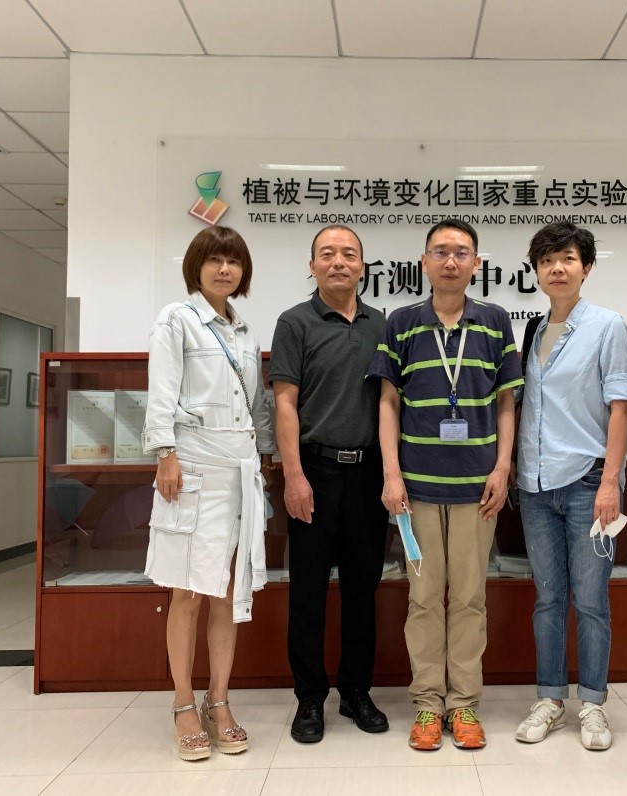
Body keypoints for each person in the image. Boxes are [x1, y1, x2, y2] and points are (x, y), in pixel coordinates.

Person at [368, 218, 523, 751]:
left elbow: (506, 402)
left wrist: (502, 468)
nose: (450, 261)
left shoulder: (495, 321)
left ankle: (464, 704)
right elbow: (388, 401)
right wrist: (391, 474)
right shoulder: (402, 322)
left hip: (478, 489)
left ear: (476, 263)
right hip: (416, 490)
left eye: (461, 252)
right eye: (440, 252)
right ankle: (428, 705)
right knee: (424, 599)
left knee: (471, 600)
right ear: (424, 262)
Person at [142, 225, 275, 761]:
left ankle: (218, 700)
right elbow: (161, 393)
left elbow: (257, 405)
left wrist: (267, 458)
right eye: (215, 260)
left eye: (233, 261)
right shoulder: (177, 319)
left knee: (226, 592)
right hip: (192, 469)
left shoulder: (245, 332)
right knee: (187, 592)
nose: (225, 269)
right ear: (196, 267)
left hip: (239, 474)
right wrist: (165, 454)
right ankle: (182, 703)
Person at [513, 221, 627, 750]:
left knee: (590, 601)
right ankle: (550, 698)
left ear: (586, 267)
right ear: (537, 272)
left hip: (587, 482)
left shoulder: (607, 326)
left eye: (566, 258)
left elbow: (620, 407)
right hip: (536, 486)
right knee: (547, 599)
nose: (556, 268)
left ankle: (593, 704)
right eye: (546, 261)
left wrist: (610, 483)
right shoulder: (533, 330)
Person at [269, 225, 390, 743]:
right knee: (309, 592)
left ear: (362, 266)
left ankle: (356, 691)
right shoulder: (294, 322)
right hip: (313, 472)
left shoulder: (381, 324)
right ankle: (310, 698)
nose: (338, 261)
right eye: (327, 254)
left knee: (363, 590)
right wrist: (293, 475)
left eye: (349, 254)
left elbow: (391, 402)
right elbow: (285, 403)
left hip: (368, 473)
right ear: (313, 265)